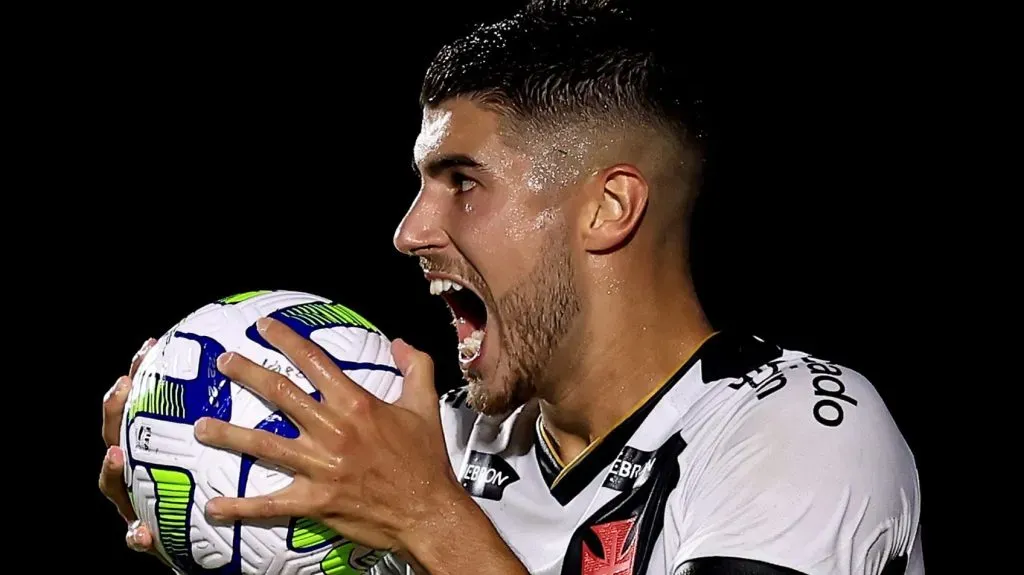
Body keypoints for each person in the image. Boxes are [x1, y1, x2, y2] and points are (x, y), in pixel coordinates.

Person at [99, 1, 924, 574]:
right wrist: (201, 502)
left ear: (608, 207)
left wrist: (428, 518)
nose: (409, 231)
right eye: (421, 184)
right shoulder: (445, 446)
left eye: (461, 181)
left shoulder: (800, 429)